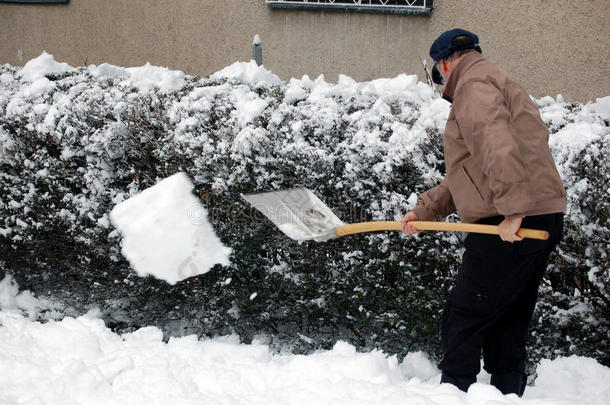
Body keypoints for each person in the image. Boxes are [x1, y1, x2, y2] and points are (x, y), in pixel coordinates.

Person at [401, 28, 567, 396]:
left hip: (510, 220)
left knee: (465, 316)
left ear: (445, 63)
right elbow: (471, 172)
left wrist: (512, 211)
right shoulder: (496, 80)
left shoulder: (473, 86)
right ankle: (507, 394)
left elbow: (496, 145)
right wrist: (424, 210)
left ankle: (453, 393)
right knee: (508, 316)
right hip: (542, 215)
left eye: (436, 72)